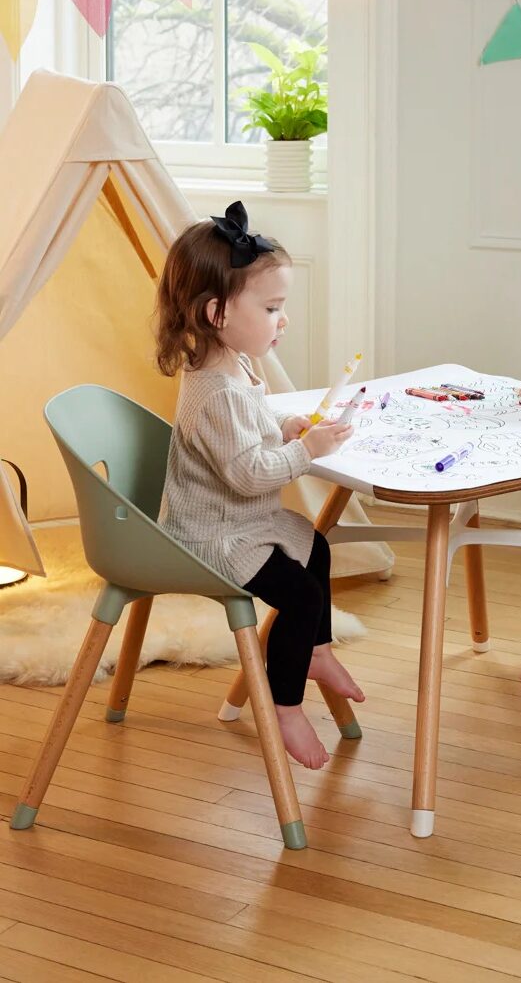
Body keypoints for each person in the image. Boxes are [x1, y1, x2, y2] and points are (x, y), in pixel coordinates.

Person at [155, 201, 362, 769]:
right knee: (301, 595)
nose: (283, 319)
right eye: (272, 307)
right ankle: (285, 703)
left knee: (315, 546)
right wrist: (305, 450)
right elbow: (248, 474)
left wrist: (283, 425)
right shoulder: (216, 389)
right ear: (217, 312)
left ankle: (313, 651)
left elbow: (246, 429)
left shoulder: (232, 366)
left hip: (240, 522)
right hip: (212, 537)